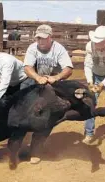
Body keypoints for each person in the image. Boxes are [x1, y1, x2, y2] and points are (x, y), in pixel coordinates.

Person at [22, 24, 74, 164]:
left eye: (43, 38)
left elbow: (68, 69)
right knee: (19, 98)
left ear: (50, 38)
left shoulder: (58, 49)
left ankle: (36, 149)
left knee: (48, 113)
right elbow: (27, 67)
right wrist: (38, 77)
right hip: (36, 80)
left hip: (55, 83)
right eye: (38, 38)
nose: (40, 41)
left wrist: (55, 78)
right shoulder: (33, 48)